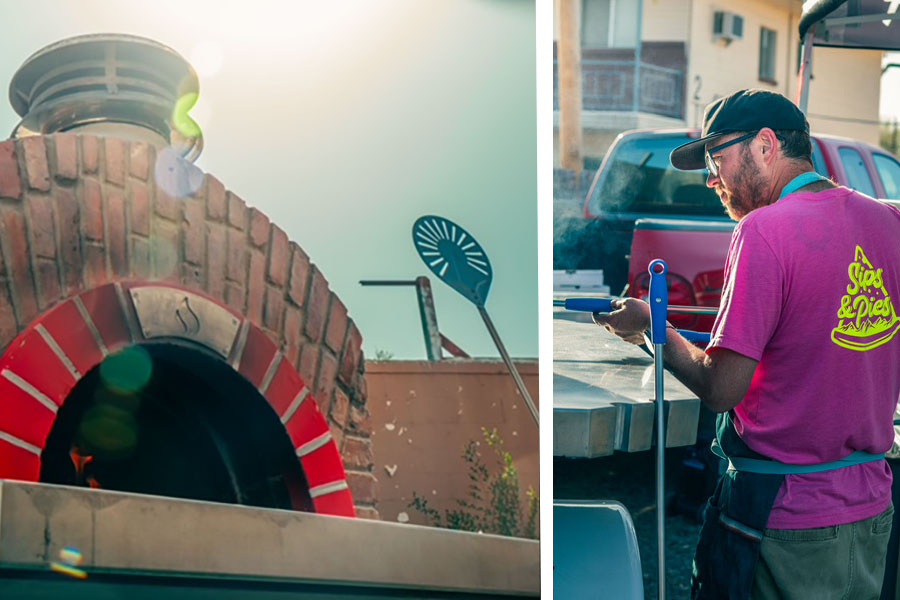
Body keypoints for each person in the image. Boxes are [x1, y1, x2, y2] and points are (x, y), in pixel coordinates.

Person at [593, 88, 900, 600]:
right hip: (872, 513)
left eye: (717, 158)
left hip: (779, 518)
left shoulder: (764, 230)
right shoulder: (889, 222)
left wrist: (652, 324)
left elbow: (721, 388)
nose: (711, 178)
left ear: (764, 145)